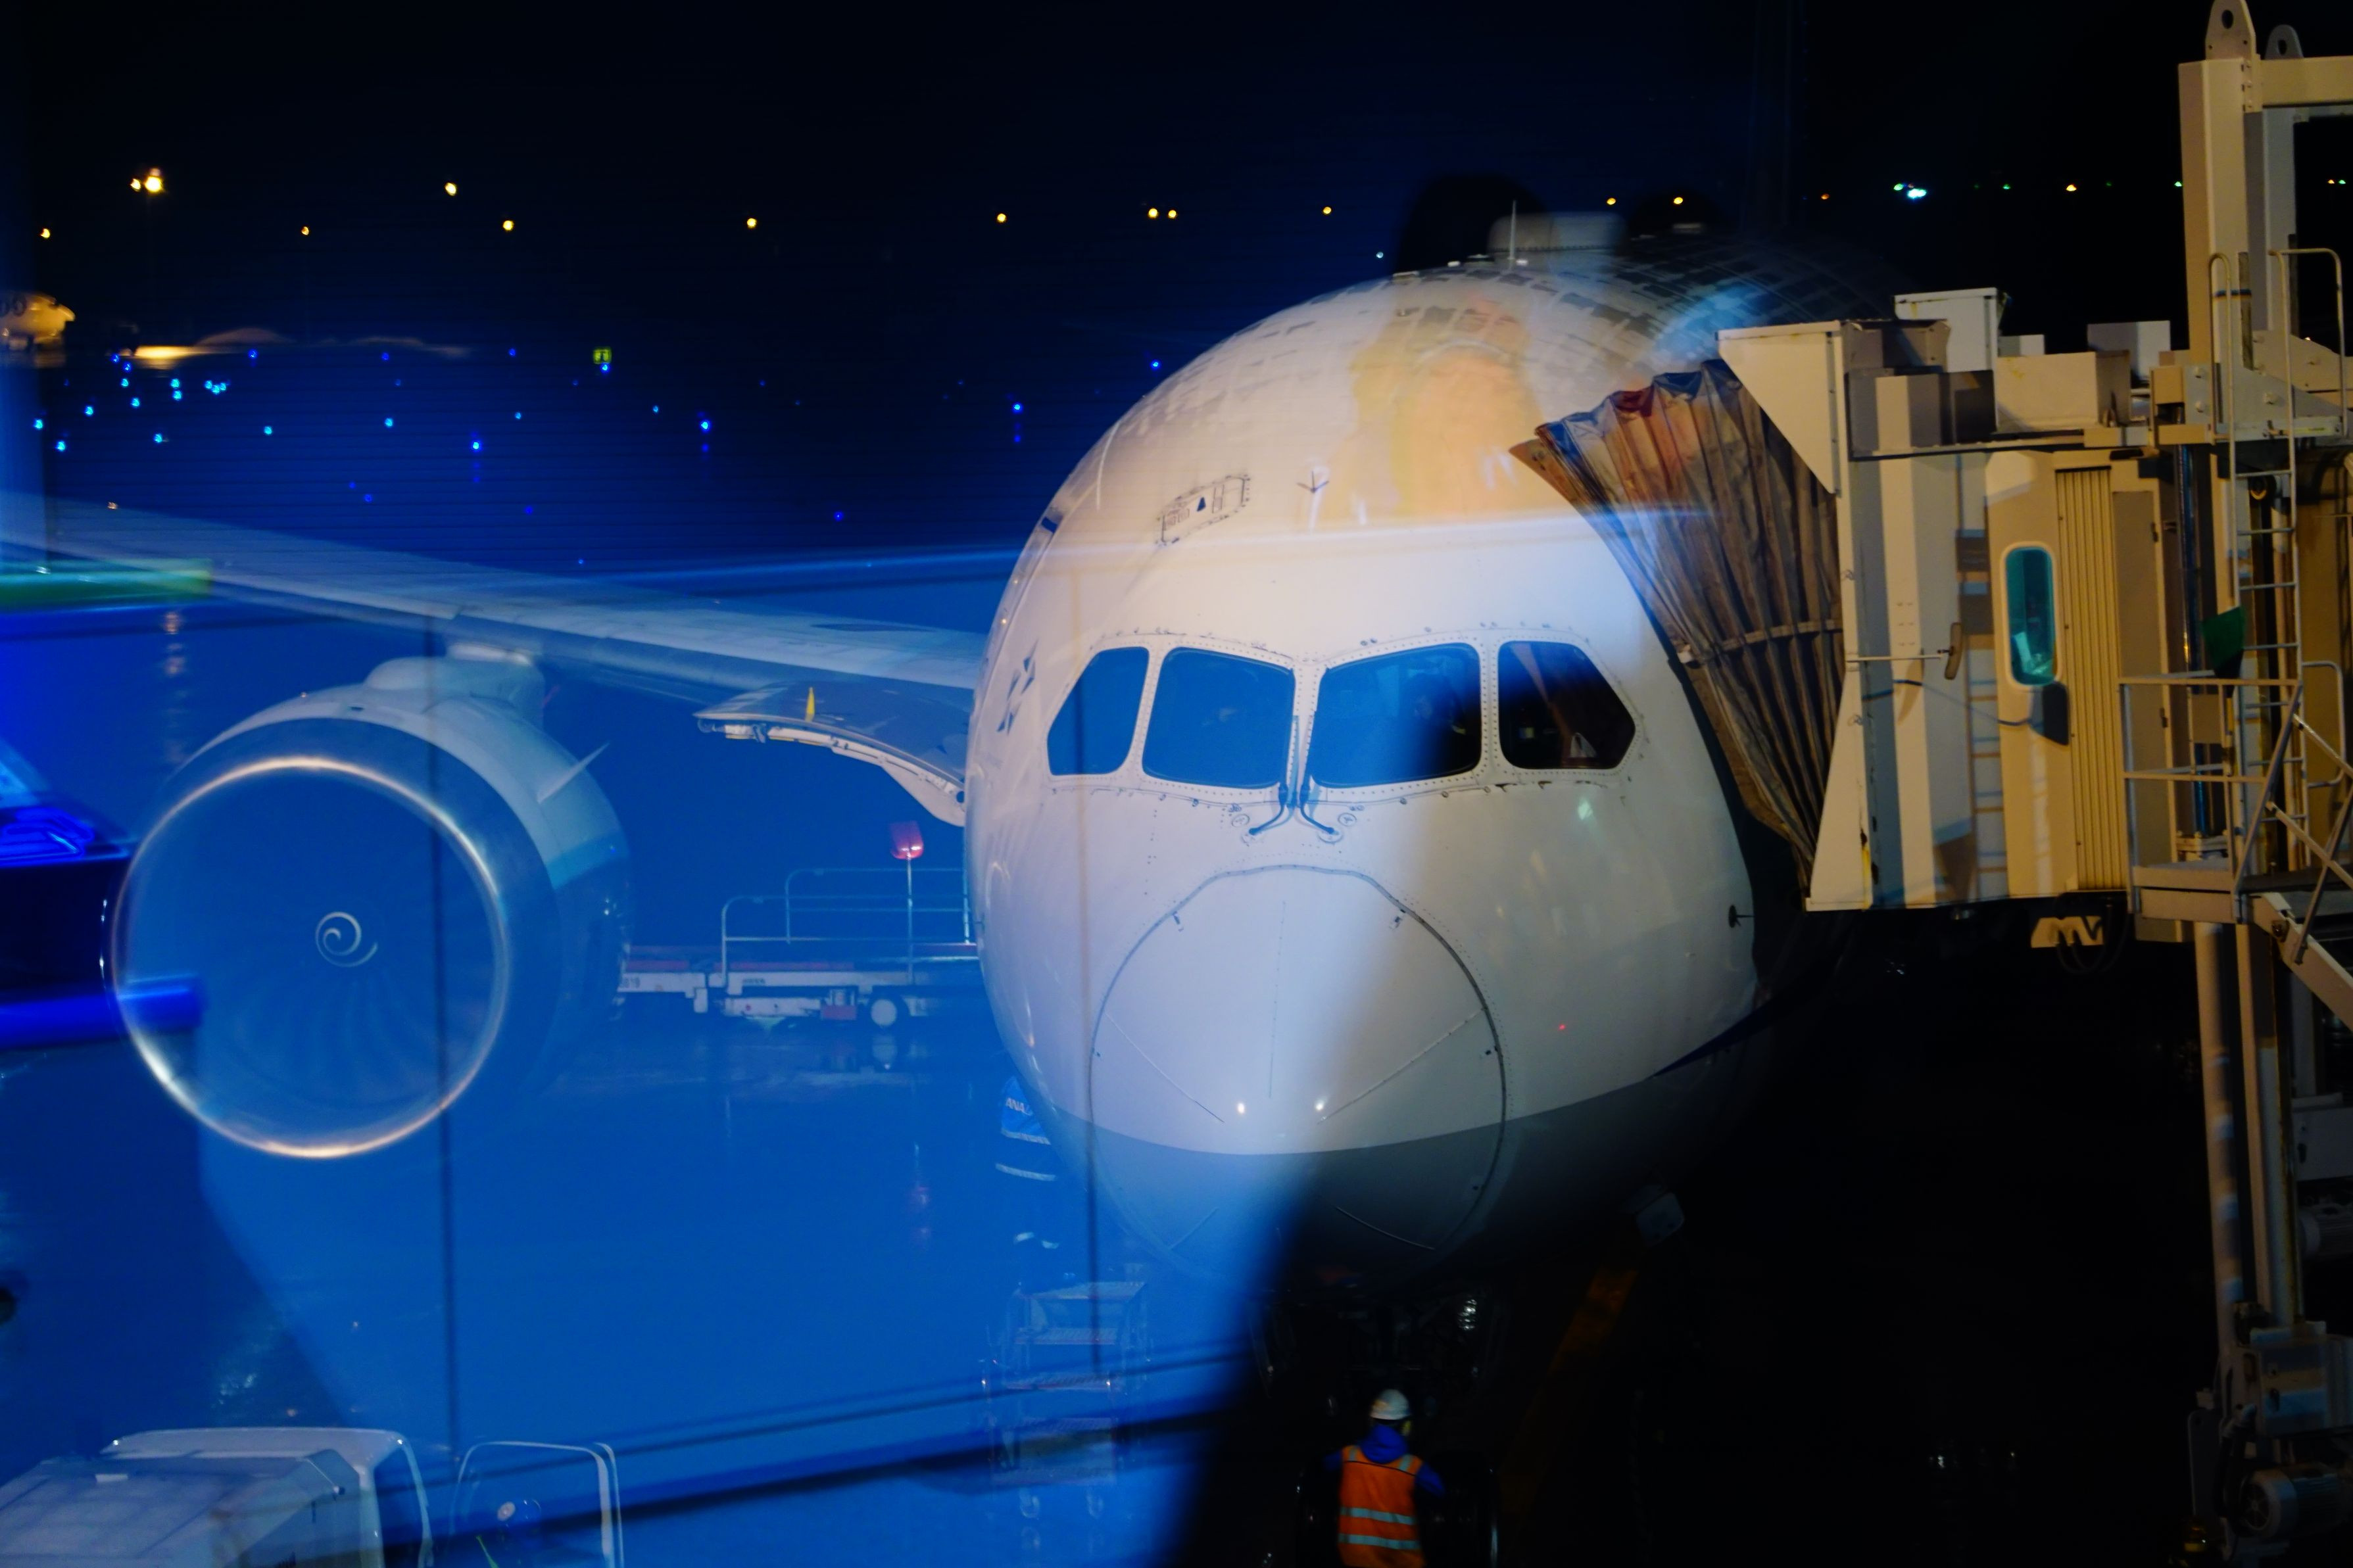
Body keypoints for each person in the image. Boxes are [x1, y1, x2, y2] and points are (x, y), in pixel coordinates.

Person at [1325, 1388, 1443, 1567]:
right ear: (1406, 1427)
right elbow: (1440, 1490)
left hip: (1355, 1558)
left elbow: (1323, 1467)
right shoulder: (1413, 1466)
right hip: (1401, 1561)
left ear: (1371, 1422)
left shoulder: (1348, 1455)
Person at [995, 1072, 1065, 1273]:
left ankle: (1028, 1269)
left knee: (1020, 1218)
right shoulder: (1049, 1086)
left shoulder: (1012, 1082)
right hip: (1042, 1163)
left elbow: (1000, 1110)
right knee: (1049, 1213)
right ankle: (1049, 1268)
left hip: (1009, 1161)